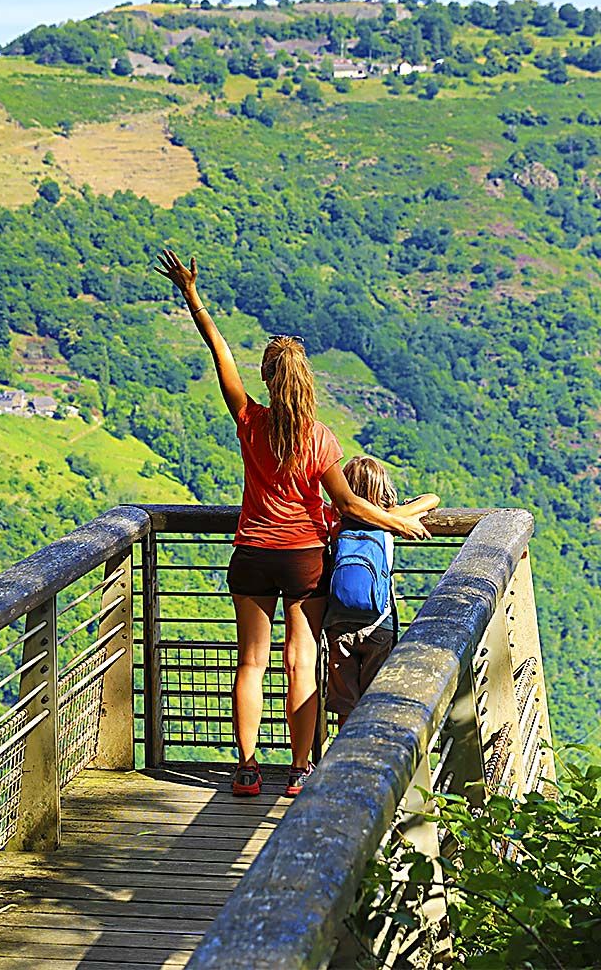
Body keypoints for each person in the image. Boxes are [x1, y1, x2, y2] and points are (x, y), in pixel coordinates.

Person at [155, 249, 429, 797]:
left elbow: (218, 352)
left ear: (267, 380)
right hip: (304, 558)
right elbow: (348, 505)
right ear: (306, 383)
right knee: (299, 662)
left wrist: (192, 295)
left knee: (250, 663)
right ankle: (300, 771)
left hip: (251, 555)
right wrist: (396, 524)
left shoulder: (249, 420)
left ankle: (248, 768)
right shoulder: (319, 437)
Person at [323, 456, 439, 719]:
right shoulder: (389, 520)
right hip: (379, 623)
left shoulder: (335, 522)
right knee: (375, 701)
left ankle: (346, 755)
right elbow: (432, 499)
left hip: (339, 623)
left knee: (346, 705)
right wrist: (396, 513)